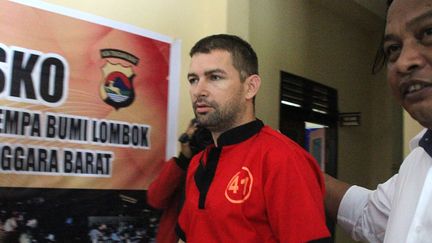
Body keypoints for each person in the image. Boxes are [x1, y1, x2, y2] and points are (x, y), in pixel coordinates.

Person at [176, 34, 330, 242]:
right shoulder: (196, 163)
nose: (198, 91)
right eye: (193, 80)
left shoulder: (282, 159)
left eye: (215, 77)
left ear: (250, 87)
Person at [325, 0, 432, 242]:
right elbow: (368, 215)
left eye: (429, 32)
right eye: (393, 48)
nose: (404, 62)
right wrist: (290, 162)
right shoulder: (419, 160)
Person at [147, 119, 212, 243]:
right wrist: (183, 159)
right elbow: (155, 199)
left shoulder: (228, 166)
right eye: (200, 132)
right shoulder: (182, 168)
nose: (205, 139)